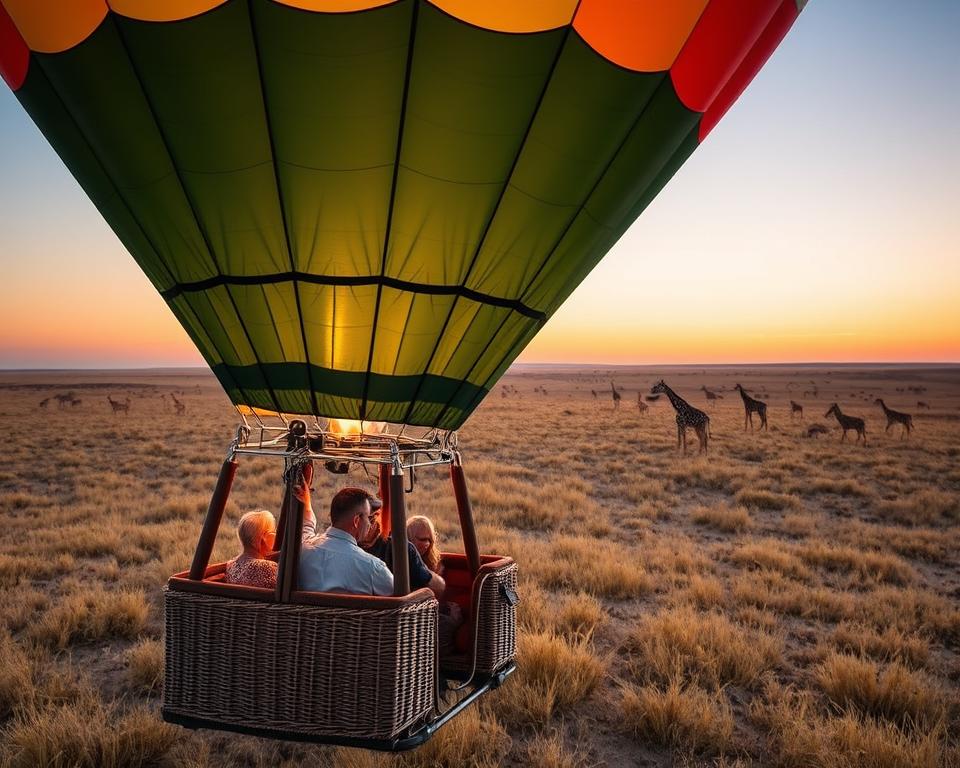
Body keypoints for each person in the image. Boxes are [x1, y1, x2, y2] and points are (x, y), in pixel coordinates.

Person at [299, 474, 394, 596]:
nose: (370, 524)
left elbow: (306, 526)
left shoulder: (302, 548)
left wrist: (306, 502)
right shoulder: (373, 568)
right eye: (368, 518)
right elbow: (399, 599)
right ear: (356, 521)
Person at [224, 510, 278, 589]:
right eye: (273, 532)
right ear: (263, 538)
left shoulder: (230, 565)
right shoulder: (267, 567)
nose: (275, 536)